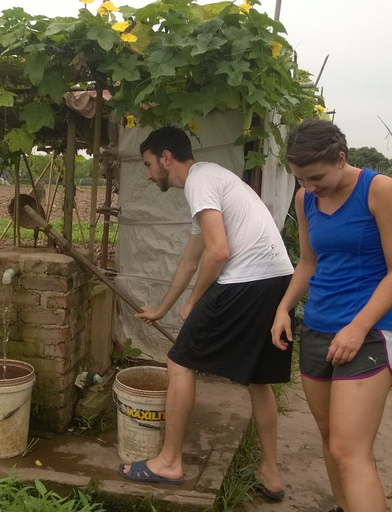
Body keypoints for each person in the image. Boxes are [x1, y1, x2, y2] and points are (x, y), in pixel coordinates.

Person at [118, 126, 294, 502]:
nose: (148, 175)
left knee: (179, 363)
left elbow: (218, 252)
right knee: (258, 379)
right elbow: (190, 259)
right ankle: (271, 473)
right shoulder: (212, 180)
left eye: (149, 165)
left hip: (246, 281)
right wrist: (163, 309)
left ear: (167, 157)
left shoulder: (200, 182)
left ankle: (169, 462)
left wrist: (195, 301)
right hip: (275, 281)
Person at [271, 119, 392, 512]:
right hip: (318, 327)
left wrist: (358, 328)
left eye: (316, 177)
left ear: (341, 159)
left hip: (368, 330)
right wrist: (282, 308)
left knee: (348, 449)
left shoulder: (379, 190)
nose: (310, 187)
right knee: (328, 435)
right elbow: (308, 263)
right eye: (301, 179)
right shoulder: (305, 200)